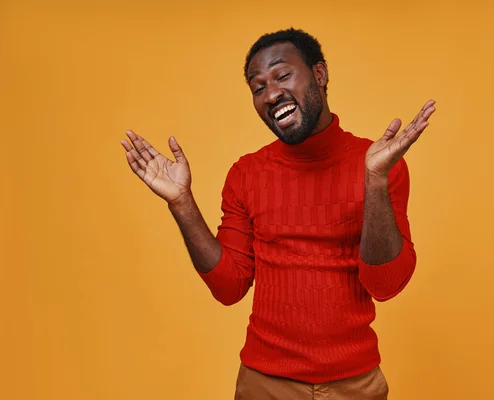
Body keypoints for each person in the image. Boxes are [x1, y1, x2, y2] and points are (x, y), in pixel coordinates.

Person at [121, 27, 435, 400]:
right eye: (258, 87)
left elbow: (386, 285)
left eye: (282, 75)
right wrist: (182, 204)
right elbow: (229, 286)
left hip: (355, 383)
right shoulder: (246, 173)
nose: (271, 94)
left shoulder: (379, 165)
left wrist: (376, 182)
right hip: (264, 384)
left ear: (319, 74)